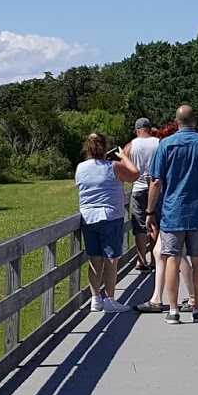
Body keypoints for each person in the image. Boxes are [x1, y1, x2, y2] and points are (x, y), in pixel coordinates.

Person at [146, 104, 198, 325]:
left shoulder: (166, 145)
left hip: (173, 212)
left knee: (172, 258)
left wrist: (150, 211)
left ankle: (173, 311)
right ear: (195, 121)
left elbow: (156, 182)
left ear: (177, 121)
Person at [74, 133, 139, 313]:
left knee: (94, 259)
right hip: (110, 215)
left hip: (88, 216)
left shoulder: (80, 167)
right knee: (111, 259)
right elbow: (135, 174)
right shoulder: (114, 166)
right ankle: (109, 299)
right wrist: (124, 157)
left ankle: (95, 298)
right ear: (104, 147)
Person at [124, 118, 160, 271]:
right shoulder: (159, 143)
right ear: (149, 129)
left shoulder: (131, 146)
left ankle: (141, 259)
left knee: (139, 226)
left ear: (137, 130)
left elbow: (123, 163)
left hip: (138, 188)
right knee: (154, 223)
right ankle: (155, 259)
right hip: (156, 188)